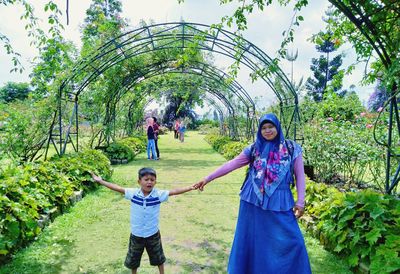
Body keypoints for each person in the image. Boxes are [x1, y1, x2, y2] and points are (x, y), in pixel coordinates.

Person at [195, 113, 312, 274]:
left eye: (271, 127)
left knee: (294, 240)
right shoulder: (254, 148)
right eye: (263, 128)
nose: (267, 130)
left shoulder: (292, 149)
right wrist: (208, 178)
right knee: (253, 239)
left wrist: (300, 202)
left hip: (280, 201)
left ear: (277, 127)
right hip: (252, 200)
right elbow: (232, 164)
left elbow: (300, 176)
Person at [91, 168, 197, 274]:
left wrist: (190, 187)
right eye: (146, 179)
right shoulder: (133, 193)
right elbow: (118, 188)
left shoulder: (158, 195)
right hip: (136, 234)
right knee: (134, 260)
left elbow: (173, 192)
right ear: (139, 181)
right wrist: (100, 181)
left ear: (155, 182)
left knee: (159, 258)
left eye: (152, 179)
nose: (149, 182)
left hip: (153, 234)